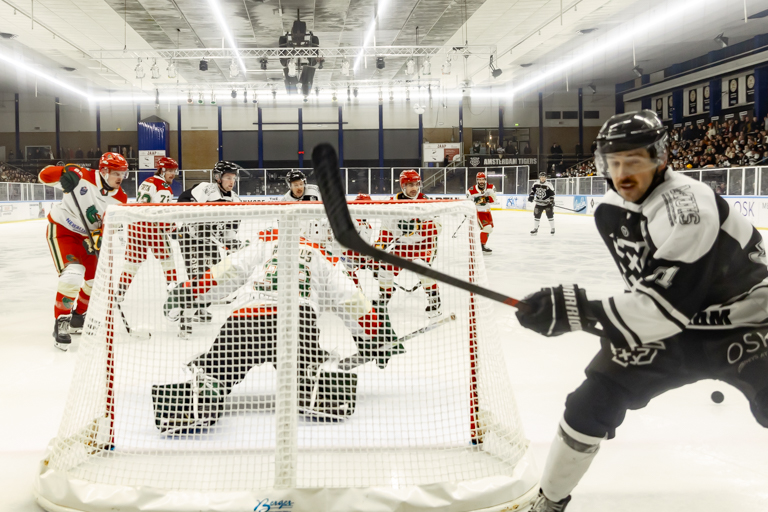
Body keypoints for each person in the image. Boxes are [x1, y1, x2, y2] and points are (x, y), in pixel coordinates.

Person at [515, 110, 768, 512]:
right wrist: (594, 315)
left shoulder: (688, 209)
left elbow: (667, 308)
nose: (622, 175)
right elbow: (648, 289)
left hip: (744, 322)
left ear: (660, 159)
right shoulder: (611, 209)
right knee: (589, 404)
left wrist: (577, 311)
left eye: (633, 162)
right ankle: (549, 502)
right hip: (669, 328)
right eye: (613, 163)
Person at [153, 223, 400, 431]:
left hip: (246, 320)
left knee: (219, 365)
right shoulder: (325, 256)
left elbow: (228, 272)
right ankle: (313, 381)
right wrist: (375, 333)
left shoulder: (265, 243)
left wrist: (190, 292)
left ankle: (206, 387)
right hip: (296, 321)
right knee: (305, 365)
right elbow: (349, 298)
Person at [38, 152, 129, 350]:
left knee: (95, 281)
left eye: (123, 173)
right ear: (104, 171)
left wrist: (101, 236)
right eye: (116, 173)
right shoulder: (82, 176)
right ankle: (61, 320)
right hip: (63, 230)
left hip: (88, 239)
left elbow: (110, 226)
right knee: (73, 273)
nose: (121, 177)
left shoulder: (120, 198)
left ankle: (78, 317)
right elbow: (43, 176)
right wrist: (65, 171)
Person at [176, 161, 243, 326]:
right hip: (190, 238)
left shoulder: (235, 199)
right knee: (197, 276)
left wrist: (231, 242)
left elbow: (231, 228)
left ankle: (199, 307)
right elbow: (183, 201)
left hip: (210, 241)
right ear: (218, 177)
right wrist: (197, 224)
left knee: (213, 277)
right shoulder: (206, 189)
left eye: (233, 178)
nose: (231, 181)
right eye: (228, 177)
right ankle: (185, 313)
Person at [375, 170, 442, 319]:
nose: (414, 188)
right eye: (410, 185)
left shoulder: (426, 202)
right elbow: (387, 228)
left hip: (424, 245)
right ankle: (384, 296)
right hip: (402, 246)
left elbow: (438, 227)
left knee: (421, 266)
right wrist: (379, 246)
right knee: (384, 269)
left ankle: (434, 298)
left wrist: (418, 227)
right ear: (403, 186)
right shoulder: (392, 203)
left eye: (416, 184)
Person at [118, 157, 179, 301]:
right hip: (152, 226)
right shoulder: (164, 187)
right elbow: (161, 212)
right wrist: (172, 228)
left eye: (174, 171)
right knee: (167, 258)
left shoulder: (146, 181)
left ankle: (120, 293)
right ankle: (173, 291)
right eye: (169, 171)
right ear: (162, 171)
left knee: (133, 261)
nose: (172, 174)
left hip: (135, 225)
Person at [466, 171, 497, 253]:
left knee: (489, 229)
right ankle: (481, 245)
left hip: (487, 211)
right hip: (478, 212)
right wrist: (473, 202)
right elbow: (468, 202)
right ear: (477, 180)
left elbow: (493, 199)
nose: (481, 181)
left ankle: (482, 245)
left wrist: (483, 199)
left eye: (482, 179)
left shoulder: (490, 187)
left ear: (485, 180)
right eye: (479, 180)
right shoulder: (471, 191)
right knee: (487, 228)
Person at [528, 171, 555, 235]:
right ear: (539, 177)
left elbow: (552, 194)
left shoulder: (549, 184)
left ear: (546, 178)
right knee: (536, 216)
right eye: (541, 177)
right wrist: (531, 196)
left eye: (544, 177)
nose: (543, 178)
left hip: (547, 203)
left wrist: (551, 200)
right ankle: (535, 228)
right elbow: (532, 191)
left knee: (550, 216)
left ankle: (552, 228)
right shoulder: (535, 184)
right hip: (538, 203)